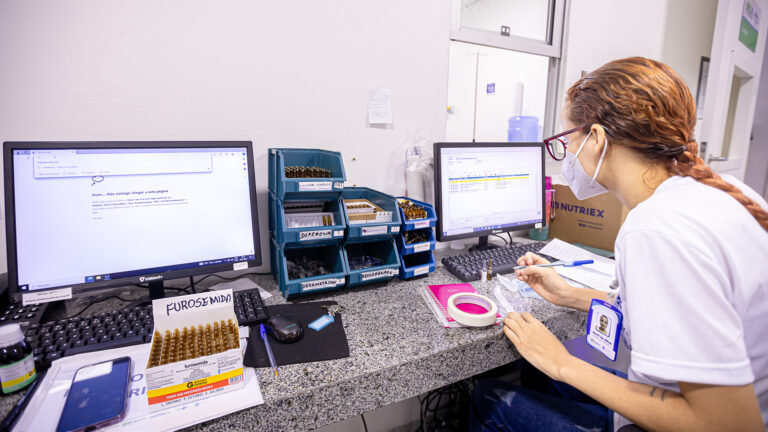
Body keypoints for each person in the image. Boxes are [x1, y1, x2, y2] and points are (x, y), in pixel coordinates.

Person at [470, 57, 768, 431]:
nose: (566, 155)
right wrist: (570, 296)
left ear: (595, 138)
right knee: (538, 373)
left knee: (492, 398)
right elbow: (672, 306)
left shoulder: (656, 230)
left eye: (567, 140)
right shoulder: (724, 192)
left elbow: (728, 424)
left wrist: (562, 362)